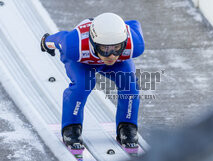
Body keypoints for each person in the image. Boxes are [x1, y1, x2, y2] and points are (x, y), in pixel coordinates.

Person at [40, 13, 145, 149]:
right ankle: (71, 127)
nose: (111, 55)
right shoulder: (74, 45)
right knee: (83, 85)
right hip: (82, 62)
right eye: (105, 49)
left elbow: (134, 23)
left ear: (124, 41)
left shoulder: (135, 44)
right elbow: (59, 39)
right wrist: (46, 42)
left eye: (117, 47)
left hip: (116, 63)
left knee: (129, 84)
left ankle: (127, 126)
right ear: (93, 42)